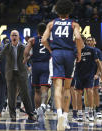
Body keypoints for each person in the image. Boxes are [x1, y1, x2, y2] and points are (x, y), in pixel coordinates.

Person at [41, 0, 83, 130]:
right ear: (69, 11)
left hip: (57, 54)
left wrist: (51, 50)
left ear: (57, 10)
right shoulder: (74, 24)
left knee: (57, 86)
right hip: (70, 54)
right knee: (67, 88)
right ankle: (65, 117)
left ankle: (59, 113)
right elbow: (78, 38)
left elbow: (43, 40)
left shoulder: (51, 23)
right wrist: (79, 53)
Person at [0, 30, 36, 121]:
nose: (14, 37)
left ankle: (30, 114)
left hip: (21, 73)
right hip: (10, 73)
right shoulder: (7, 47)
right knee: (11, 95)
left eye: (16, 35)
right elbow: (0, 57)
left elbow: (29, 56)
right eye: (12, 35)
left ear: (18, 37)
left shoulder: (23, 46)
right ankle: (13, 115)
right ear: (10, 37)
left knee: (25, 94)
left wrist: (30, 66)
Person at [23, 22, 51, 121]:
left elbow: (26, 52)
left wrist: (25, 61)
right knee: (45, 89)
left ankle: (37, 110)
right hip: (46, 65)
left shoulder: (33, 39)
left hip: (35, 66)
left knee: (37, 90)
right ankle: (43, 106)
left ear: (37, 31)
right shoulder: (49, 39)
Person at [74, 36, 102, 122]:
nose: (89, 42)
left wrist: (100, 74)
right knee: (79, 93)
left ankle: (96, 111)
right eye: (88, 40)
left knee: (93, 91)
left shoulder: (95, 50)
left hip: (91, 75)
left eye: (91, 40)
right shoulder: (76, 50)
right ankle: (80, 113)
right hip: (79, 75)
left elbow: (100, 63)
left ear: (95, 42)